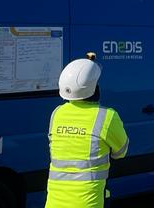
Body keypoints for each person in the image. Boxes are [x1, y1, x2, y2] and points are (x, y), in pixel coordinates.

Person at [45, 54, 129, 208]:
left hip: (54, 203)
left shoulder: (56, 114)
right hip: (89, 203)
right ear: (95, 89)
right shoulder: (107, 116)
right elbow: (121, 152)